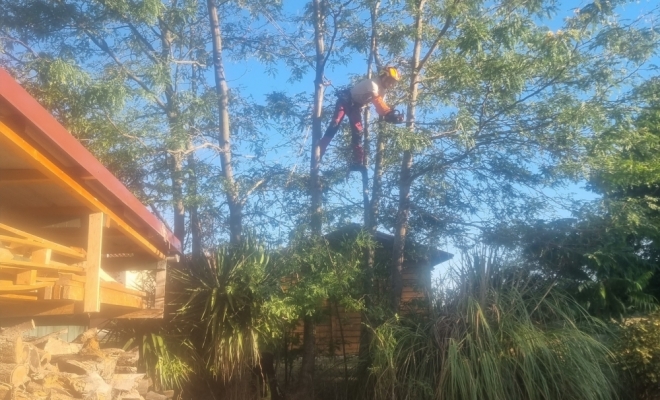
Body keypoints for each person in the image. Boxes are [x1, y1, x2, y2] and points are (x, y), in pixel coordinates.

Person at [319, 66, 403, 169]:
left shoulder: (383, 92)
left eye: (393, 82)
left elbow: (379, 107)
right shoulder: (373, 83)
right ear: (383, 76)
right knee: (335, 123)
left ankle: (357, 162)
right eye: (390, 80)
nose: (391, 84)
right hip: (346, 100)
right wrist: (388, 113)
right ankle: (321, 147)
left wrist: (388, 116)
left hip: (356, 107)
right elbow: (377, 101)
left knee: (358, 132)